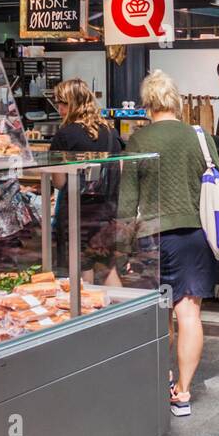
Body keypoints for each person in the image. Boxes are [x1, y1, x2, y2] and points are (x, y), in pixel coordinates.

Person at [118, 70, 219, 416]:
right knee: (189, 313)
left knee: (159, 316)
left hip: (151, 238)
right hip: (193, 235)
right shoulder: (201, 137)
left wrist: (119, 254)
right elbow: (216, 181)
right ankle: (184, 394)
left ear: (147, 104)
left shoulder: (139, 142)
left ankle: (161, 378)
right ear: (176, 100)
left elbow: (126, 205)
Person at [49, 79, 123, 286]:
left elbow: (59, 181)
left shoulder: (64, 135)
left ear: (71, 104)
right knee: (108, 267)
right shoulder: (110, 131)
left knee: (82, 269)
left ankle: (87, 315)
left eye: (61, 103)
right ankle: (121, 314)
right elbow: (119, 170)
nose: (59, 108)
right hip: (105, 211)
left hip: (76, 212)